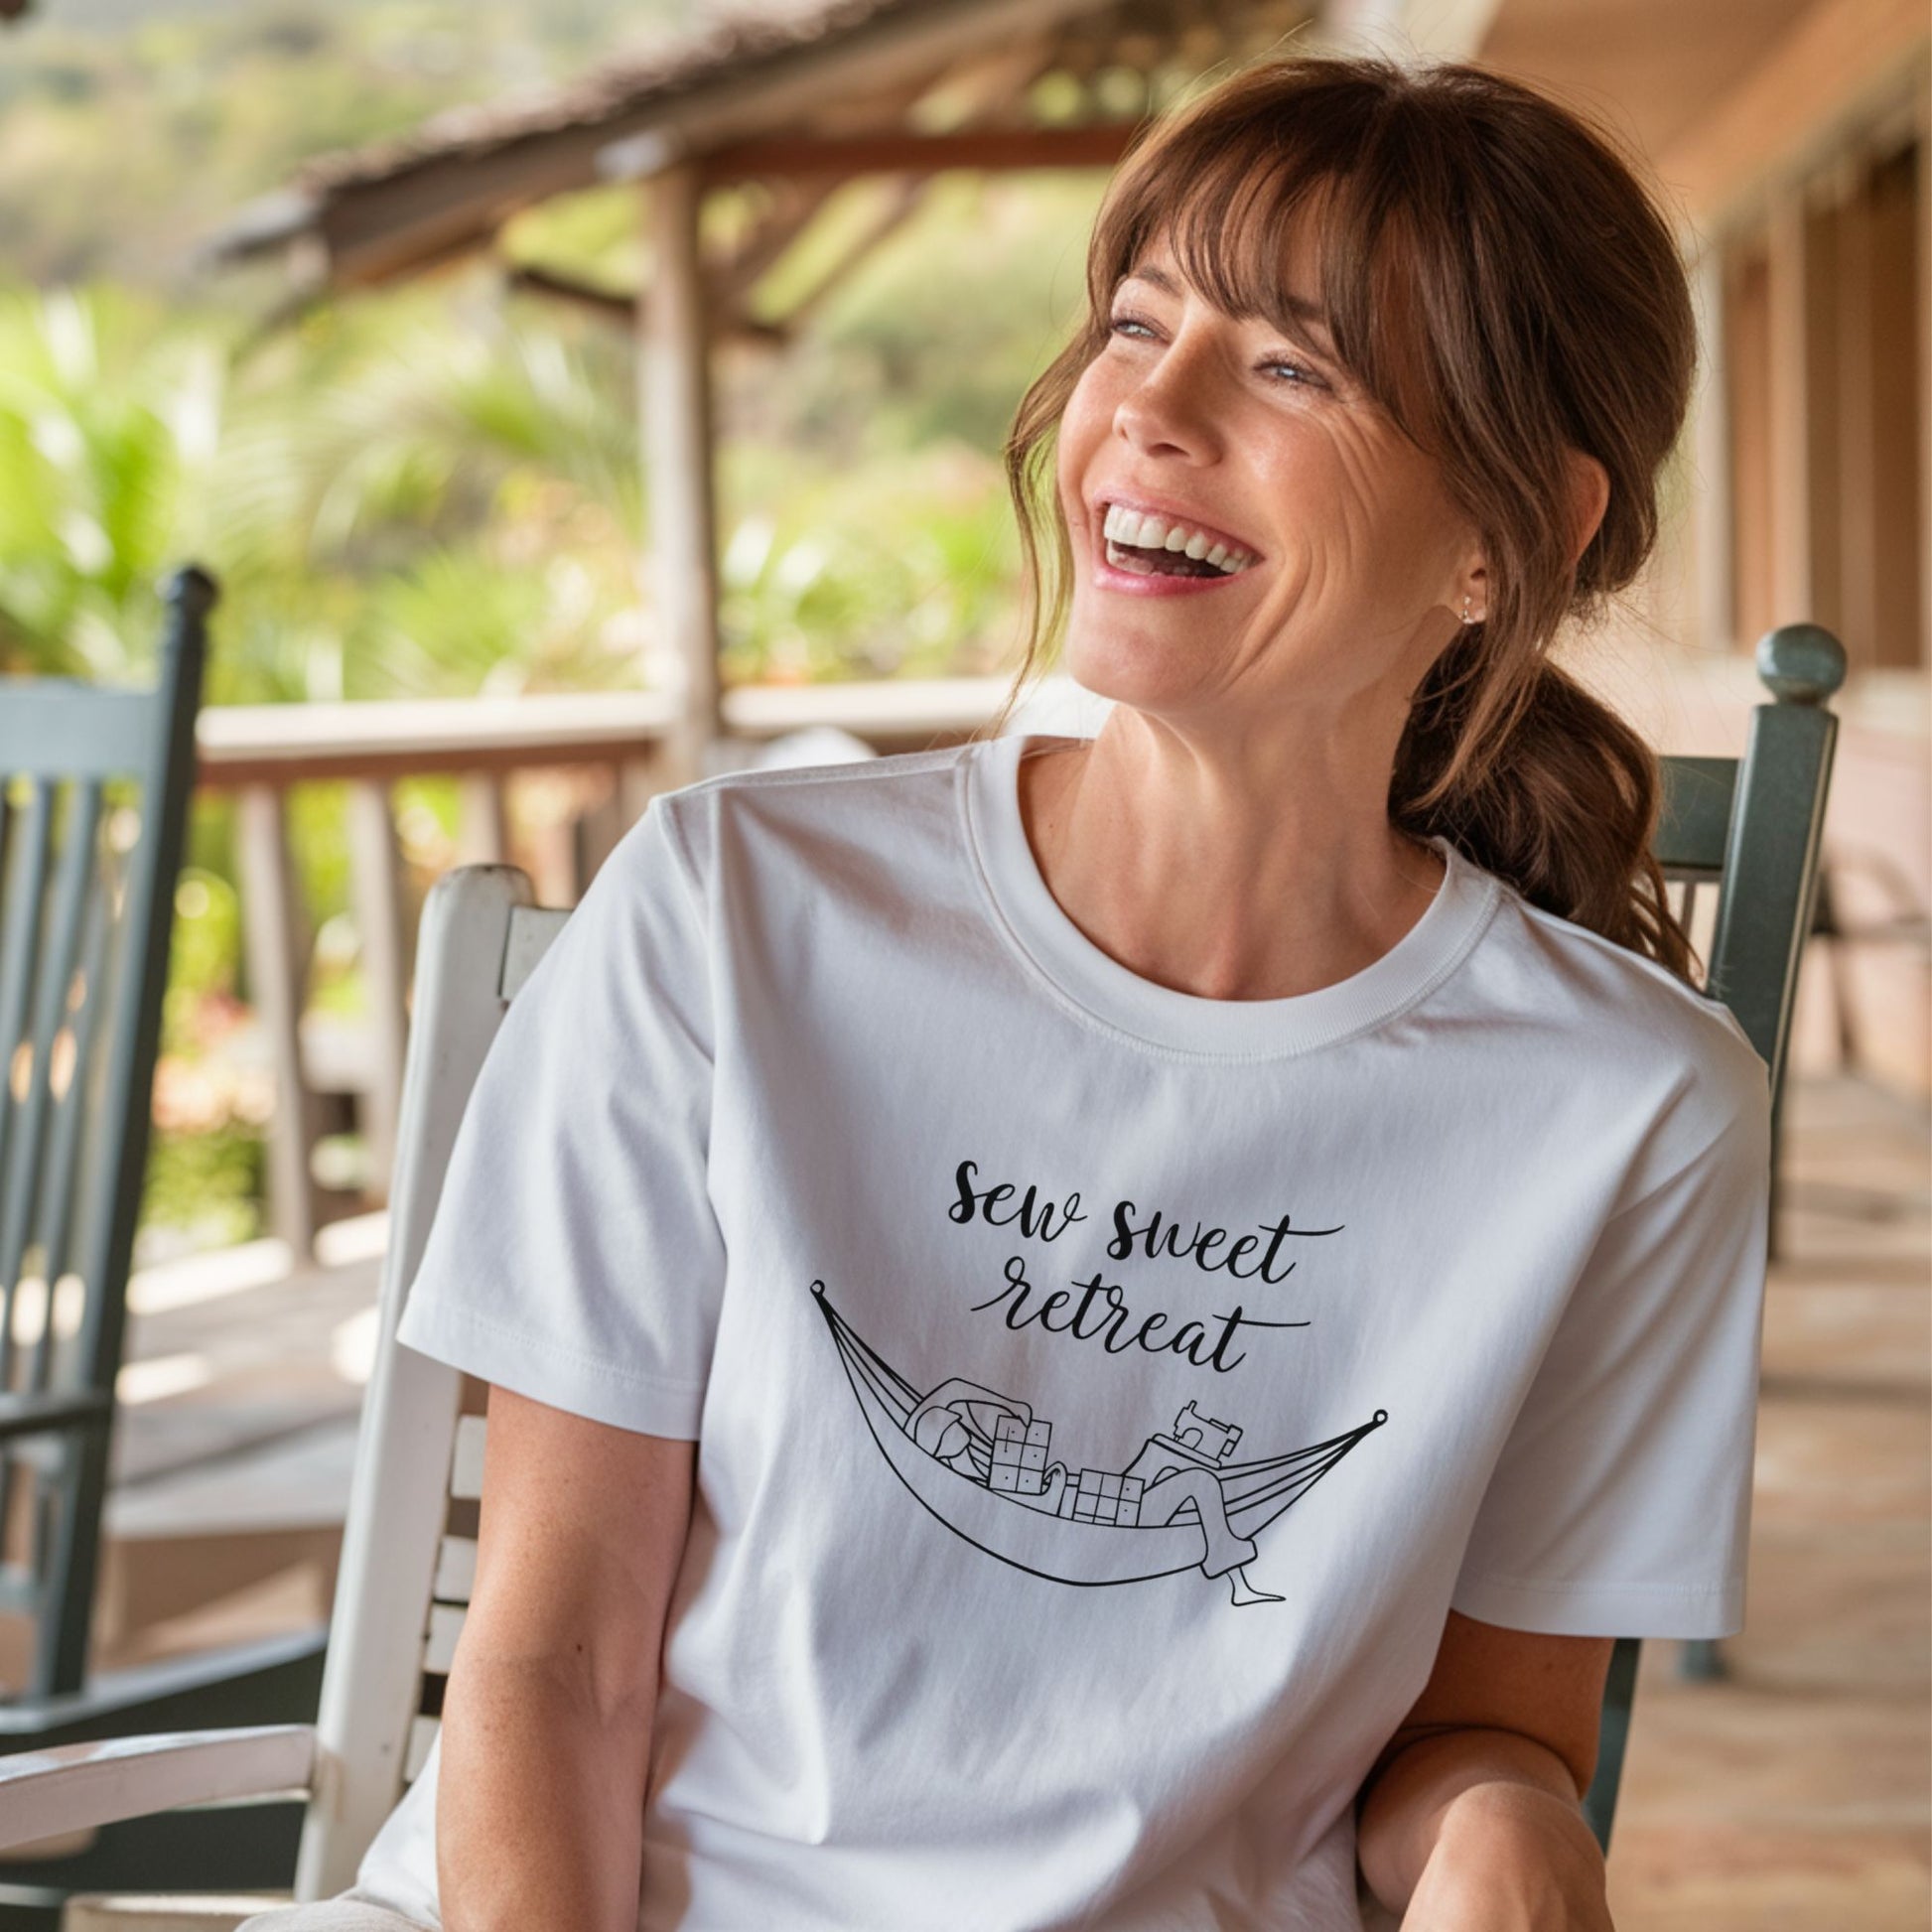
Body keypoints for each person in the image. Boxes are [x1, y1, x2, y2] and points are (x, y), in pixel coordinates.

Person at [245, 48, 1771, 1932]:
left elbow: (1484, 1733)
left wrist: (1507, 1827)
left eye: (1290, 365)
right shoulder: (733, 910)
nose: (1148, 410)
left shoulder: (1625, 1104)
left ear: (1507, 535)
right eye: (1137, 322)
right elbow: (557, 1667)